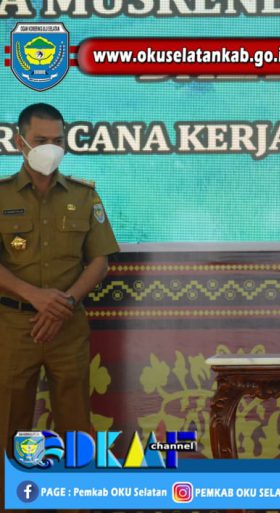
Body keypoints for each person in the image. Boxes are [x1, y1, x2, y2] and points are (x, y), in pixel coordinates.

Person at [0, 103, 120, 484]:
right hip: (13, 328)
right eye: (40, 141)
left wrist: (63, 304)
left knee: (76, 428)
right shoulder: (1, 196)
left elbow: (99, 262)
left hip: (67, 327)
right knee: (9, 423)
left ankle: (75, 501)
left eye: (57, 141)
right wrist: (34, 296)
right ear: (19, 143)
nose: (50, 149)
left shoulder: (84, 196)